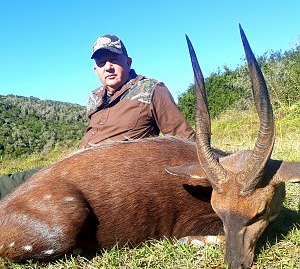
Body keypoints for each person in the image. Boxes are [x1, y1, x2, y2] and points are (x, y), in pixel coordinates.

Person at [0, 34, 195, 198]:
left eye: (114, 60)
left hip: (104, 178)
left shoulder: (152, 90)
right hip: (73, 168)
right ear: (96, 70)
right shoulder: (95, 97)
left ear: (128, 62)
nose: (108, 67)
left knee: (28, 194)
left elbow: (186, 142)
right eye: (101, 63)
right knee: (9, 183)